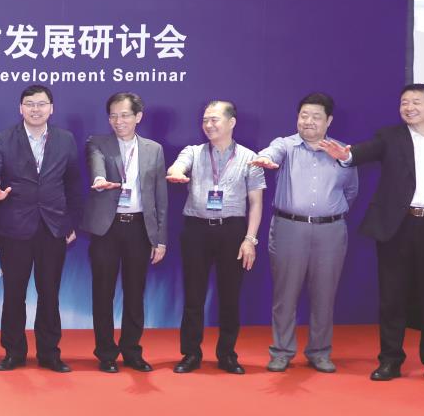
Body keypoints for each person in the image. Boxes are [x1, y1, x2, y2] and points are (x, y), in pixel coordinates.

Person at [322, 83, 424, 384]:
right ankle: (390, 361)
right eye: (404, 102)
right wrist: (346, 156)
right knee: (392, 298)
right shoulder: (389, 136)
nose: (409, 107)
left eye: (416, 102)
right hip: (397, 226)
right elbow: (363, 152)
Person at [251, 93, 359, 373]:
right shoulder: (285, 145)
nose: (308, 121)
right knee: (285, 294)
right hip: (289, 228)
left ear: (328, 120)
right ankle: (281, 351)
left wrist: (330, 212)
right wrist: (264, 158)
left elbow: (351, 191)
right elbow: (270, 153)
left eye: (316, 117)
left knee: (325, 294)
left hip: (330, 231)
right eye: (303, 115)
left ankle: (320, 352)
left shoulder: (342, 152)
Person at [0, 84, 82, 372]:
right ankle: (13, 352)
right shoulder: (4, 138)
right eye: (30, 104)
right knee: (14, 293)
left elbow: (73, 183)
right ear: (20, 108)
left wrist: (71, 222)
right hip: (14, 227)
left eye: (41, 104)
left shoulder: (65, 139)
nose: (35, 109)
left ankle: (50, 353)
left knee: (49, 293)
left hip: (53, 227)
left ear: (51, 108)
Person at [166, 100, 265, 375]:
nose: (208, 125)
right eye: (205, 120)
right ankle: (190, 354)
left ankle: (227, 355)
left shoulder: (250, 158)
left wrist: (250, 239)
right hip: (196, 230)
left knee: (230, 296)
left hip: (232, 231)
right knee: (193, 296)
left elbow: (256, 203)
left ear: (232, 122)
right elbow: (177, 167)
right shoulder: (194, 152)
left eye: (214, 120)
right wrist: (176, 173)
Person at [83, 91, 167, 373]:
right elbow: (96, 164)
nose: (118, 121)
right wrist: (99, 179)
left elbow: (160, 197)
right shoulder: (98, 142)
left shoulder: (154, 149)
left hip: (139, 228)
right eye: (113, 116)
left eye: (125, 115)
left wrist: (160, 239)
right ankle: (106, 353)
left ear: (138, 117)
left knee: (135, 292)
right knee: (103, 292)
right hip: (107, 228)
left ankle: (132, 351)